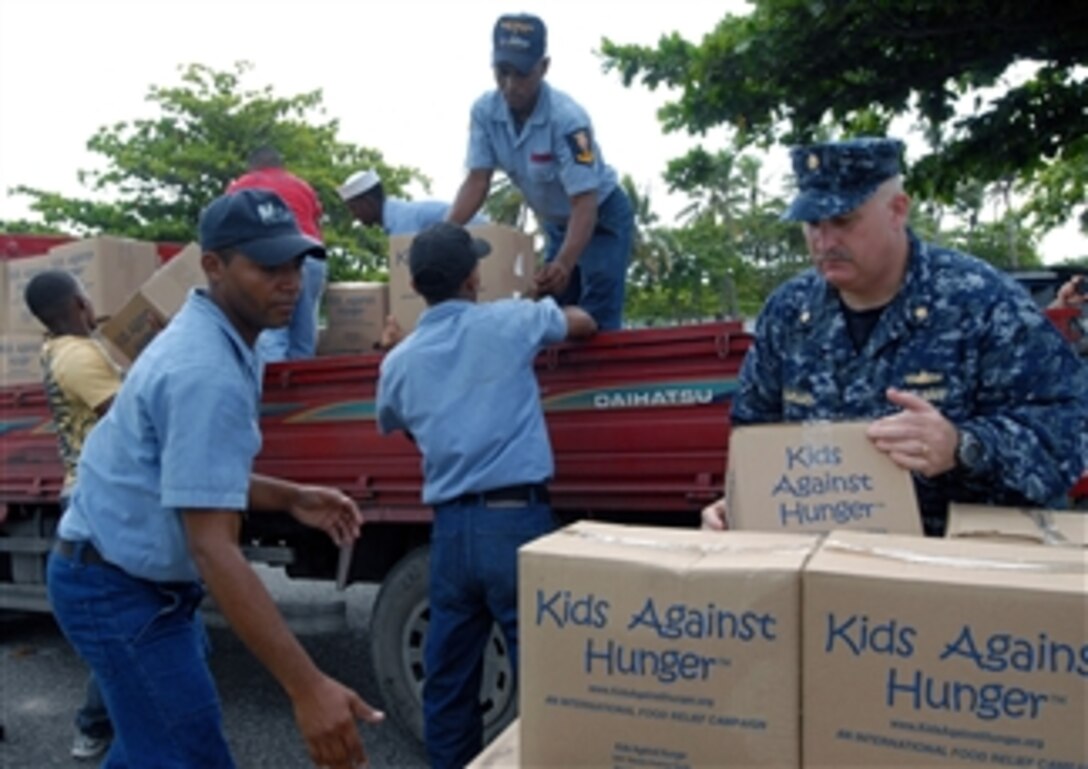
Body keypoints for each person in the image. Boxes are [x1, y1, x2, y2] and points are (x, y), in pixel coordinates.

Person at [46, 189, 384, 768]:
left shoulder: (230, 342)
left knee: (152, 743)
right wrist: (308, 688)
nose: (290, 282)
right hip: (115, 587)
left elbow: (191, 473)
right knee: (187, 753)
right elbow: (213, 548)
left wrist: (290, 495)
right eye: (268, 267)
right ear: (213, 265)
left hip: (128, 577)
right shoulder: (204, 368)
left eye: (297, 264)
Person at [701, 137, 1088, 537]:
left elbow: (1066, 437)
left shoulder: (981, 302)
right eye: (813, 223)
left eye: (844, 221)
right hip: (821, 569)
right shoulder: (788, 313)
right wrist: (742, 502)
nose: (826, 241)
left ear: (897, 210)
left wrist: (963, 446)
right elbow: (752, 432)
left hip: (953, 566)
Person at [375, 222, 596, 768]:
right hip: (515, 521)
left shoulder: (398, 362)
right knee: (546, 680)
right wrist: (550, 306)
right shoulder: (509, 322)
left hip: (451, 530)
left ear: (419, 287)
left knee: (448, 681)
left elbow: (396, 421)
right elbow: (584, 323)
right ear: (474, 278)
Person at [446, 13, 634, 331]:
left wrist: (564, 261)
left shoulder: (569, 120)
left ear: (544, 68)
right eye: (502, 72)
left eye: (521, 74)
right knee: (554, 314)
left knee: (595, 319)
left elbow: (584, 203)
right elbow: (478, 181)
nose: (510, 85)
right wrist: (444, 233)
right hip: (558, 225)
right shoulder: (484, 112)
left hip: (600, 219)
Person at [23, 270, 121, 761]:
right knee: (121, 621)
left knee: (124, 620)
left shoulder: (56, 349)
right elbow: (128, 418)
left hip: (85, 492)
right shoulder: (81, 357)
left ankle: (101, 724)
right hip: (100, 500)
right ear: (78, 303)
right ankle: (94, 725)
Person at [227, 146, 327, 361]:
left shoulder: (242, 185)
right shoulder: (302, 186)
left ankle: (273, 389)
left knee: (272, 330)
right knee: (304, 331)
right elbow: (318, 223)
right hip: (312, 253)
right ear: (280, 165)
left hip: (274, 256)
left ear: (253, 166)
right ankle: (302, 388)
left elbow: (228, 228)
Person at [339, 169, 482, 236]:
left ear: (368, 203)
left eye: (354, 208)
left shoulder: (403, 222)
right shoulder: (397, 216)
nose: (354, 216)